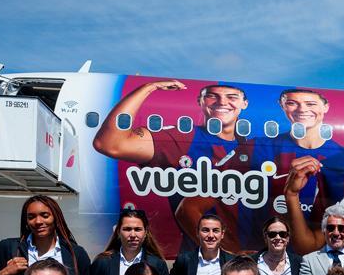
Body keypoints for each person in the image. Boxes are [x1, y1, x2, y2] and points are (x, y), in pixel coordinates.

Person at [92, 81, 258, 250]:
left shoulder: (253, 148)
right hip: (203, 256)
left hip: (252, 258)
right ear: (200, 101)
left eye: (232, 97)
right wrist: (148, 87)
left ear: (244, 103)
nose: (222, 102)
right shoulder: (186, 139)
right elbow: (110, 144)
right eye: (211, 96)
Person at [274, 88, 344, 254]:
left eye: (311, 104)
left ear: (325, 107)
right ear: (282, 106)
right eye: (292, 103)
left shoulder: (343, 157)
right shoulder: (259, 148)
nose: (302, 110)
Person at [88, 208, 170, 275]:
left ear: (145, 233)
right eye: (127, 229)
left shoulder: (157, 265)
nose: (132, 235)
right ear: (118, 232)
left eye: (137, 229)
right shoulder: (103, 262)